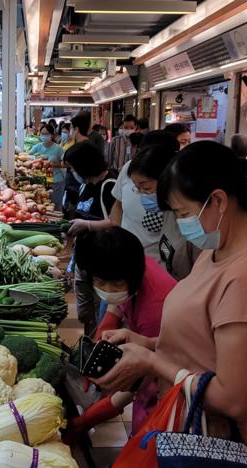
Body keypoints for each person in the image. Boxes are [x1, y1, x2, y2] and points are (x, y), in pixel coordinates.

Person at [92, 141, 247, 468]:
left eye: (183, 213)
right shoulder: (217, 252)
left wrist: (152, 363)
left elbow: (234, 398)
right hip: (182, 427)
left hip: (213, 447)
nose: (182, 223)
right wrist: (150, 344)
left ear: (218, 200)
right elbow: (207, 343)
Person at [65, 227, 177, 439]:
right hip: (152, 366)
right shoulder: (126, 262)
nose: (108, 290)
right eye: (99, 282)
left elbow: (137, 382)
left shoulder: (156, 309)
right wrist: (106, 327)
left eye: (116, 284)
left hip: (164, 385)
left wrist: (86, 420)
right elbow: (116, 302)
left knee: (149, 438)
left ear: (132, 279)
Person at [64, 141, 118, 334]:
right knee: (85, 312)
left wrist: (86, 225)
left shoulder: (110, 185)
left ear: (84, 165)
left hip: (102, 260)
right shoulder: (85, 186)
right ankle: (88, 342)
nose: (72, 173)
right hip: (83, 259)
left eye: (73, 168)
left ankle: (95, 346)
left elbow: (115, 222)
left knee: (100, 312)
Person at [127, 140, 200, 280]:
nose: (142, 194)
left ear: (166, 179)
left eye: (146, 188)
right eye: (138, 188)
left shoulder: (194, 221)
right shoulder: (168, 213)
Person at [62, 112, 94, 217]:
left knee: (73, 214)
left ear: (76, 129)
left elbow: (65, 163)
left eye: (71, 127)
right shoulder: (88, 145)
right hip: (76, 188)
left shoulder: (81, 148)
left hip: (77, 189)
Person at [29, 124, 66, 209]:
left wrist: (51, 164)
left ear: (52, 135)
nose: (44, 136)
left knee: (55, 205)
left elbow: (65, 163)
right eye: (42, 134)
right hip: (40, 181)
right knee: (42, 206)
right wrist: (36, 160)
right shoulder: (37, 147)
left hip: (55, 180)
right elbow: (28, 157)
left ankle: (57, 221)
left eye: (46, 134)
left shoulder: (58, 148)